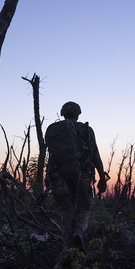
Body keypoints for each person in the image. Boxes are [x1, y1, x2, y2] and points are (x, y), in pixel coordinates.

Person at [45, 101, 107, 251]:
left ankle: (67, 246)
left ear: (62, 113)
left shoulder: (52, 130)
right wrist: (102, 178)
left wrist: (48, 179)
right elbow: (95, 155)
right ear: (78, 114)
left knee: (66, 210)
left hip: (59, 177)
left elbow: (51, 157)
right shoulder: (86, 130)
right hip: (82, 176)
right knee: (84, 207)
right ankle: (79, 231)